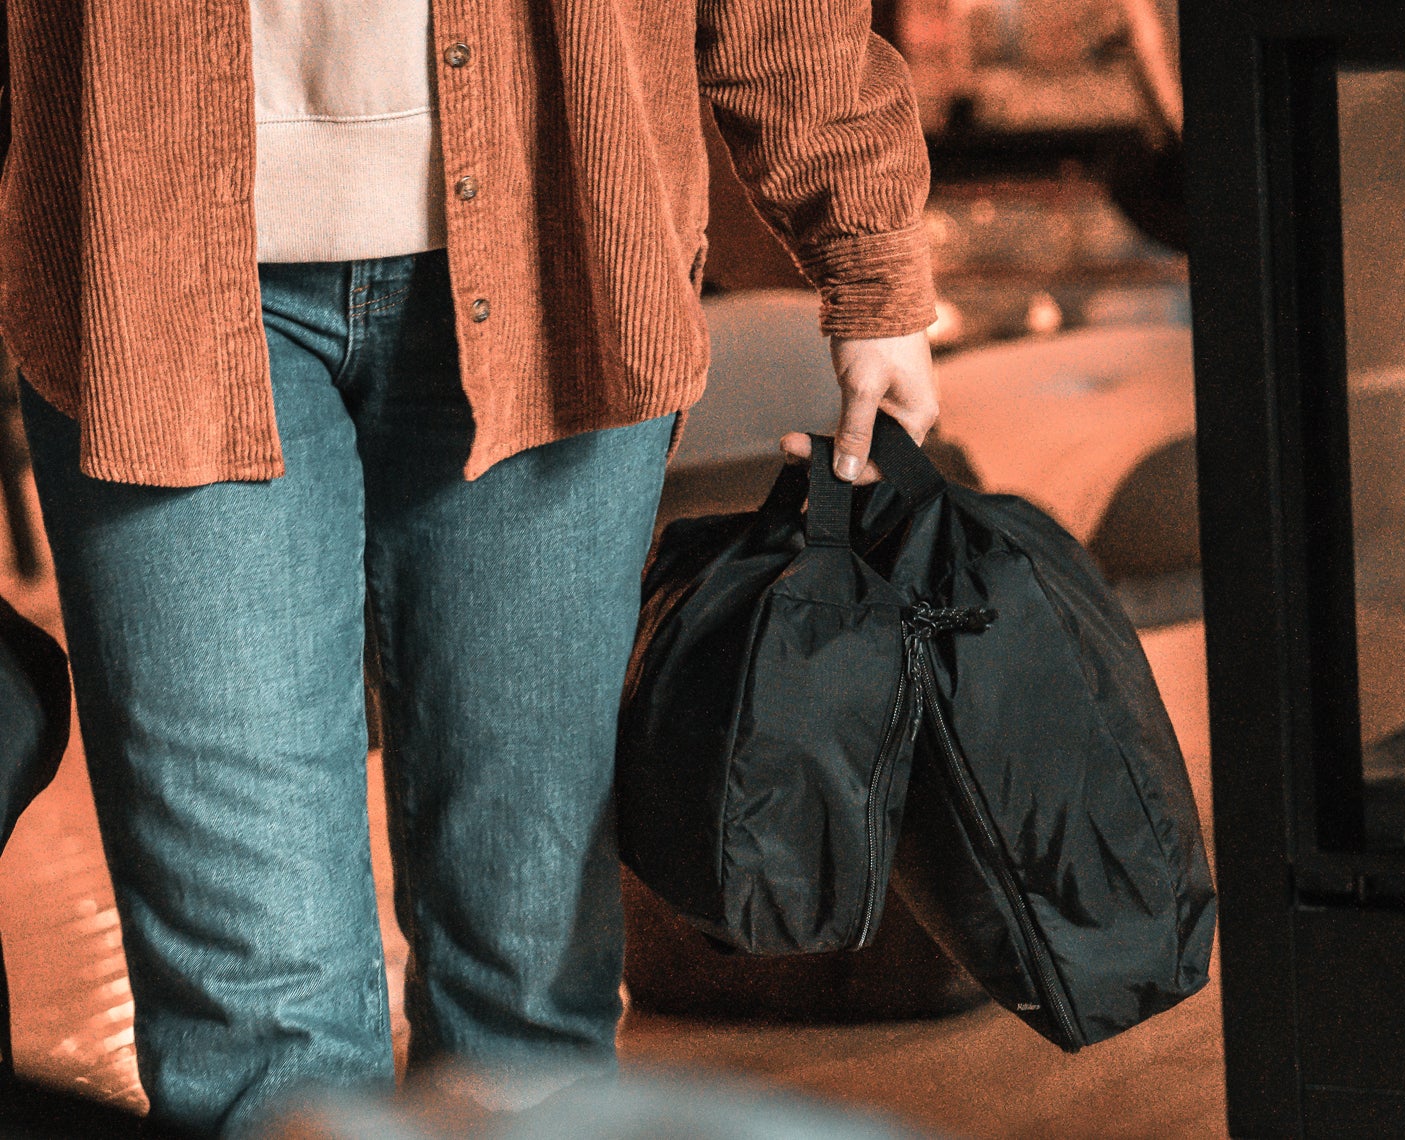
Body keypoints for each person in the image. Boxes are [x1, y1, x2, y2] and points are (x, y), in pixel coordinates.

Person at [0, 0, 939, 1134]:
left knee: (527, 984)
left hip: (563, 242)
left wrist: (867, 244)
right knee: (249, 1002)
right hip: (143, 273)